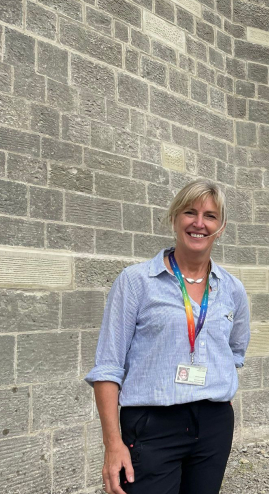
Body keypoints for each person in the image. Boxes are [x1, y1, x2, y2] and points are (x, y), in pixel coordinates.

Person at [85, 179, 250, 494]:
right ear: (175, 218)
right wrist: (112, 443)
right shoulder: (136, 282)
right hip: (151, 425)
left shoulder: (232, 289)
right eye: (190, 212)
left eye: (210, 216)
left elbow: (234, 351)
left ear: (221, 226)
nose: (199, 223)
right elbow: (108, 366)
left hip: (213, 423)